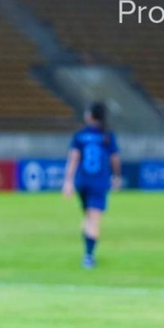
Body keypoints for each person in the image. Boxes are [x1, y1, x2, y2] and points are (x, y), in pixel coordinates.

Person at [62, 102, 122, 269]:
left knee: (88, 216)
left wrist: (68, 181)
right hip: (99, 182)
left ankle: (87, 243)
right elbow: (115, 159)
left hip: (82, 182)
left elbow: (73, 159)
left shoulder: (80, 136)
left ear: (90, 116)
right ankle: (88, 256)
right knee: (94, 219)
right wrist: (116, 177)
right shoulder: (107, 136)